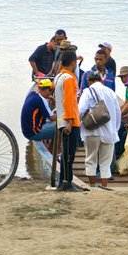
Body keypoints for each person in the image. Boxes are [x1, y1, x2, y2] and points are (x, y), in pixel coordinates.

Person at [78, 70, 122, 189]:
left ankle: (92, 186)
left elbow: (81, 110)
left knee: (90, 159)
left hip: (91, 131)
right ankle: (104, 187)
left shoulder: (87, 92)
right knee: (105, 163)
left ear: (88, 81)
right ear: (102, 80)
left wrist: (77, 125)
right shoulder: (111, 92)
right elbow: (118, 114)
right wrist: (115, 129)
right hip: (109, 133)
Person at [53, 49, 82, 192]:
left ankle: (64, 181)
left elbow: (59, 98)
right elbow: (69, 100)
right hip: (69, 120)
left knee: (66, 153)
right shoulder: (69, 79)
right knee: (69, 154)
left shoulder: (58, 77)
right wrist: (70, 122)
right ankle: (67, 182)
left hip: (61, 119)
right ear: (73, 63)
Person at [113, 65, 128, 171]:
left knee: (121, 133)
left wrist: (119, 115)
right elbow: (126, 103)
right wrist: (117, 112)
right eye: (121, 77)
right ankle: (114, 157)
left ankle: (118, 156)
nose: (123, 80)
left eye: (125, 77)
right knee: (118, 128)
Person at [20, 78, 57, 143]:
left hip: (27, 131)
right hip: (33, 133)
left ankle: (50, 148)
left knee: (53, 122)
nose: (50, 94)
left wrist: (51, 98)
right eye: (51, 92)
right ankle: (60, 150)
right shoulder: (40, 100)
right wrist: (64, 115)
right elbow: (52, 118)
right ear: (47, 90)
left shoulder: (32, 94)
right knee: (60, 126)